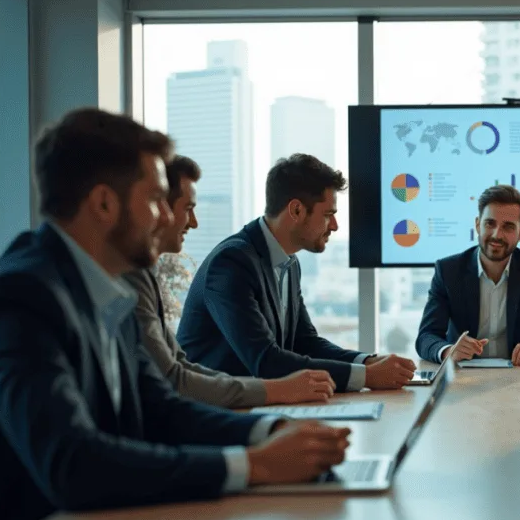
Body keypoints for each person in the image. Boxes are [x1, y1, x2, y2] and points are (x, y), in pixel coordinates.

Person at [0, 109, 351, 520]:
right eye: (156, 199)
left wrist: (271, 432)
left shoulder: (100, 287)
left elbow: (159, 407)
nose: (167, 217)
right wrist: (254, 465)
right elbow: (73, 464)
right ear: (103, 204)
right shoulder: (21, 296)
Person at [177, 153, 416, 391]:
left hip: (260, 405)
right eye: (328, 214)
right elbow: (266, 361)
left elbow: (305, 342)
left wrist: (367, 361)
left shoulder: (289, 263)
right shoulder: (231, 263)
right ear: (297, 210)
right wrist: (367, 377)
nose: (334, 226)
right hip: (219, 412)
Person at [123, 156, 336, 408]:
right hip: (208, 413)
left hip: (219, 410)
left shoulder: (142, 275)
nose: (194, 222)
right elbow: (177, 379)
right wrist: (276, 393)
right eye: (187, 209)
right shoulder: (231, 261)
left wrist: (366, 365)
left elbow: (179, 366)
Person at [416, 185, 520, 365]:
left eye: (508, 227)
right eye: (490, 224)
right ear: (477, 224)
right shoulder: (448, 270)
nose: (497, 235)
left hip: (518, 377)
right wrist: (448, 351)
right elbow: (426, 337)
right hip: (463, 378)